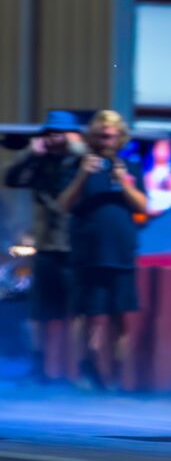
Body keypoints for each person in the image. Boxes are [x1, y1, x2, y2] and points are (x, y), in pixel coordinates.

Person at [58, 110, 148, 390]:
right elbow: (63, 204)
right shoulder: (77, 166)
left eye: (111, 136)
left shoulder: (130, 167)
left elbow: (142, 206)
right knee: (87, 315)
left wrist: (123, 182)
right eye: (101, 135)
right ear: (92, 137)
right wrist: (82, 176)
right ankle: (88, 369)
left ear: (120, 138)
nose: (106, 140)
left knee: (119, 316)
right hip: (88, 252)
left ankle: (117, 376)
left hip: (121, 252)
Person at [3, 110, 85, 383]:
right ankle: (40, 365)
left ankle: (74, 366)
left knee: (75, 312)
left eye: (60, 133)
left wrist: (77, 147)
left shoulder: (80, 163)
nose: (54, 138)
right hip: (47, 246)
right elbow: (11, 178)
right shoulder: (41, 164)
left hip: (73, 246)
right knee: (40, 312)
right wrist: (30, 153)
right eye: (50, 133)